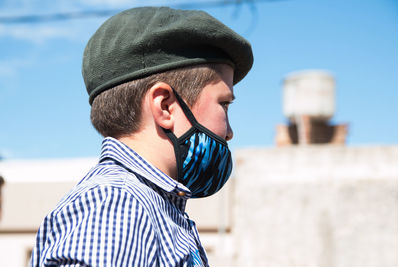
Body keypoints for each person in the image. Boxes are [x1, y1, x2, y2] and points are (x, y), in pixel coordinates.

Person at [30, 6, 253, 267]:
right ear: (165, 107)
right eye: (224, 104)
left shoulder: (149, 207)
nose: (229, 132)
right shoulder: (117, 205)